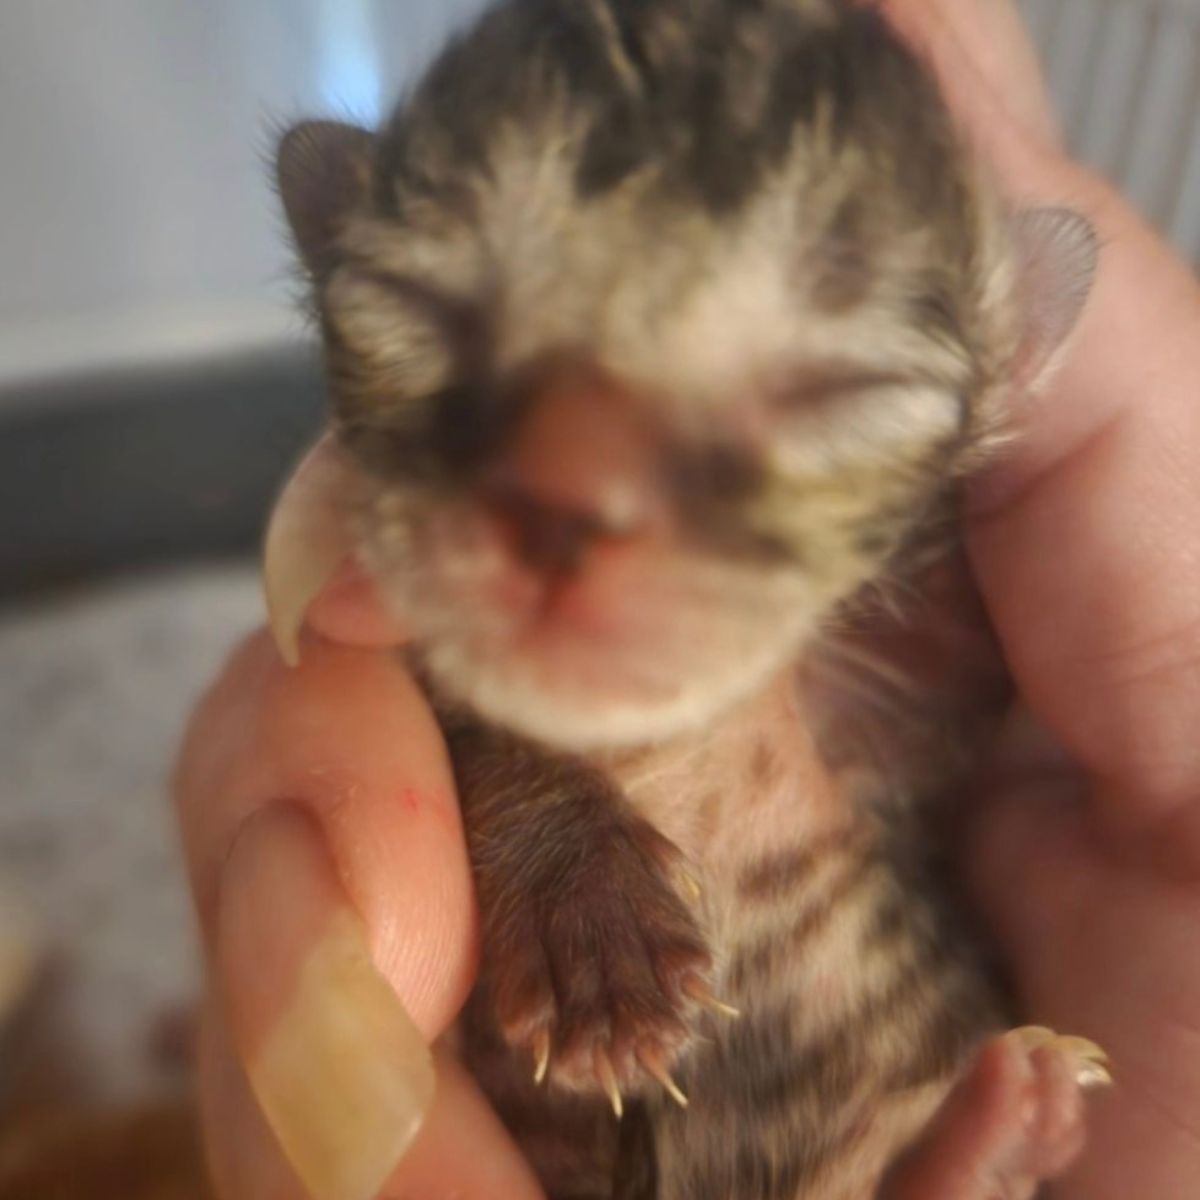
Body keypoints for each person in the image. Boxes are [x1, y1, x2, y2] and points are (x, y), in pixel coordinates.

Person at [174, 2, 1200, 1196]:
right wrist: (534, 809)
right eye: (445, 317)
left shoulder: (980, 649)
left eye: (819, 385)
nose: (588, 491)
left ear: (1009, 359)